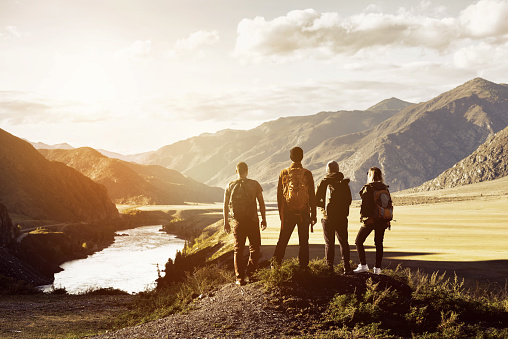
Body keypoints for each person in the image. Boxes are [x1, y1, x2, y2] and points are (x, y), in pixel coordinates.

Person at [224, 162, 267, 286]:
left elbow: (225, 206)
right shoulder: (254, 184)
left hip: (237, 222)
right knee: (255, 248)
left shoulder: (230, 185)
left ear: (236, 171)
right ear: (247, 171)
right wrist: (263, 219)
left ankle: (239, 278)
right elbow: (261, 203)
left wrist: (226, 222)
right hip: (252, 221)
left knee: (238, 249)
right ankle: (252, 274)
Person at [272, 147, 316, 268]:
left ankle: (275, 265)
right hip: (304, 213)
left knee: (282, 240)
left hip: (288, 213)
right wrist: (313, 215)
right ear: (302, 157)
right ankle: (303, 267)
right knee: (303, 242)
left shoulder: (284, 173)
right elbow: (312, 196)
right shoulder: (307, 173)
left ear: (290, 157)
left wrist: (281, 215)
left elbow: (279, 196)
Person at [315, 161, 353, 274]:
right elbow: (349, 200)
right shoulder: (343, 182)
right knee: (344, 242)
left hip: (327, 218)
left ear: (328, 170)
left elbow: (316, 200)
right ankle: (347, 267)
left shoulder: (323, 182)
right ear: (338, 169)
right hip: (341, 217)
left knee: (329, 243)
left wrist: (324, 210)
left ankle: (329, 267)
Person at [353, 166, 392, 275]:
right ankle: (377, 269)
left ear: (370, 176)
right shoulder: (385, 188)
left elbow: (365, 206)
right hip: (382, 219)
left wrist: (363, 218)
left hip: (371, 220)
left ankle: (363, 265)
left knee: (358, 241)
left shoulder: (368, 188)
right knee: (379, 243)